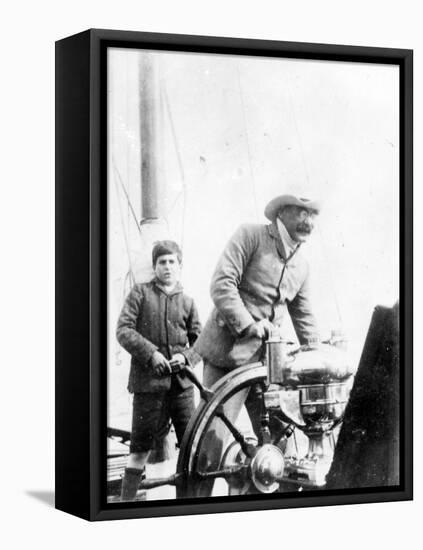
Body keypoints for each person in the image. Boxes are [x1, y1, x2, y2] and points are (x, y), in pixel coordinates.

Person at [194, 194, 320, 447]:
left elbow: (304, 317)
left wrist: (319, 353)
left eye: (313, 215)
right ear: (281, 213)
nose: (309, 221)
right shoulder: (250, 235)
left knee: (282, 443)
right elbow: (222, 284)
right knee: (210, 447)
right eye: (302, 213)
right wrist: (249, 325)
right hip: (228, 360)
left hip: (268, 367)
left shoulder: (302, 265)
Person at [116, 240, 202, 501]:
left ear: (180, 266)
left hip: (182, 390)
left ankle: (189, 505)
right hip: (148, 388)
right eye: (161, 262)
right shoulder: (140, 294)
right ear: (154, 267)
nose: (167, 267)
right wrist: (151, 353)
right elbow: (123, 330)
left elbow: (201, 343)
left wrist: (184, 358)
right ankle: (126, 504)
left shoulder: (188, 302)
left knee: (192, 447)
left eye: (171, 261)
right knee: (139, 450)